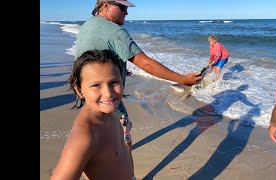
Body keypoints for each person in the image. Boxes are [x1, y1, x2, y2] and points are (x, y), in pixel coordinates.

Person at [75, 0, 202, 177]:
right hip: (108, 101)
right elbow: (145, 63)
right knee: (123, 140)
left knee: (95, 145)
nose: (126, 13)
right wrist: (183, 79)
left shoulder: (88, 26)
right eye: (123, 8)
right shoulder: (115, 31)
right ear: (105, 5)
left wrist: (119, 70)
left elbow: (91, 57)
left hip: (88, 98)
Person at [51, 50, 133, 180]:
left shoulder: (109, 113)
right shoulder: (86, 136)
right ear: (79, 90)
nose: (108, 93)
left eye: (114, 82)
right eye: (96, 85)